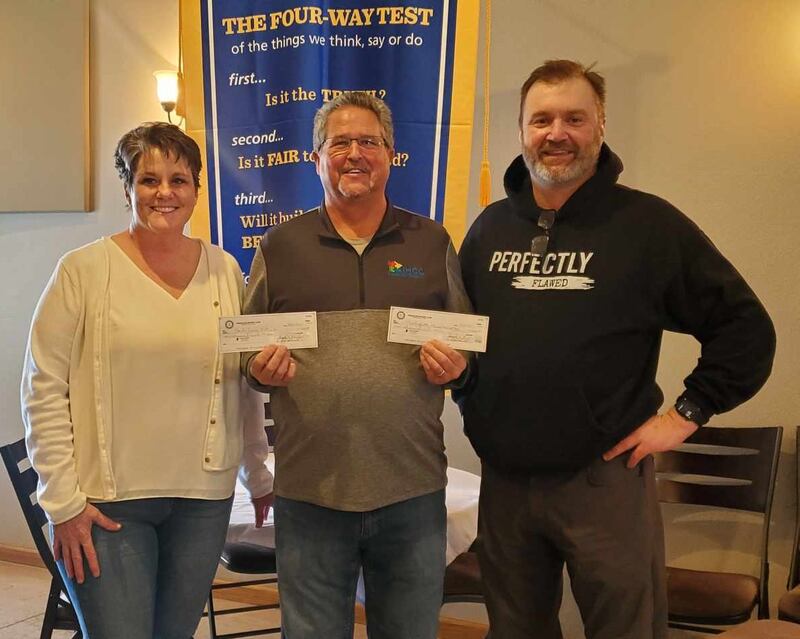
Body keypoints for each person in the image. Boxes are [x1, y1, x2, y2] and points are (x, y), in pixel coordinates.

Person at [455, 60, 775, 639]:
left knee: (627, 629)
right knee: (515, 630)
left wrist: (684, 416)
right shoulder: (490, 229)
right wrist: (464, 389)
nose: (557, 133)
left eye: (574, 118)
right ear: (521, 130)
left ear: (600, 123)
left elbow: (746, 328)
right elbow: (463, 337)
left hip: (603, 477)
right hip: (504, 482)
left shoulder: (647, 225)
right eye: (541, 119)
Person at [21, 122, 273, 639]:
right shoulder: (83, 272)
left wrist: (256, 470)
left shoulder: (225, 270)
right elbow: (43, 389)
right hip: (106, 505)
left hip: (203, 501)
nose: (164, 193)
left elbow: (240, 385)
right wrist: (62, 502)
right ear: (128, 187)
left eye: (179, 180)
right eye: (149, 179)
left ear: (197, 191)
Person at [241, 91, 471, 639]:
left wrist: (455, 367)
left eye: (368, 141)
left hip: (410, 490)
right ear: (315, 158)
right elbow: (247, 352)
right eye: (338, 142)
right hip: (310, 491)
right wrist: (259, 368)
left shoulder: (430, 242)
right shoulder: (280, 245)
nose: (354, 153)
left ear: (391, 154)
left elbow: (465, 348)